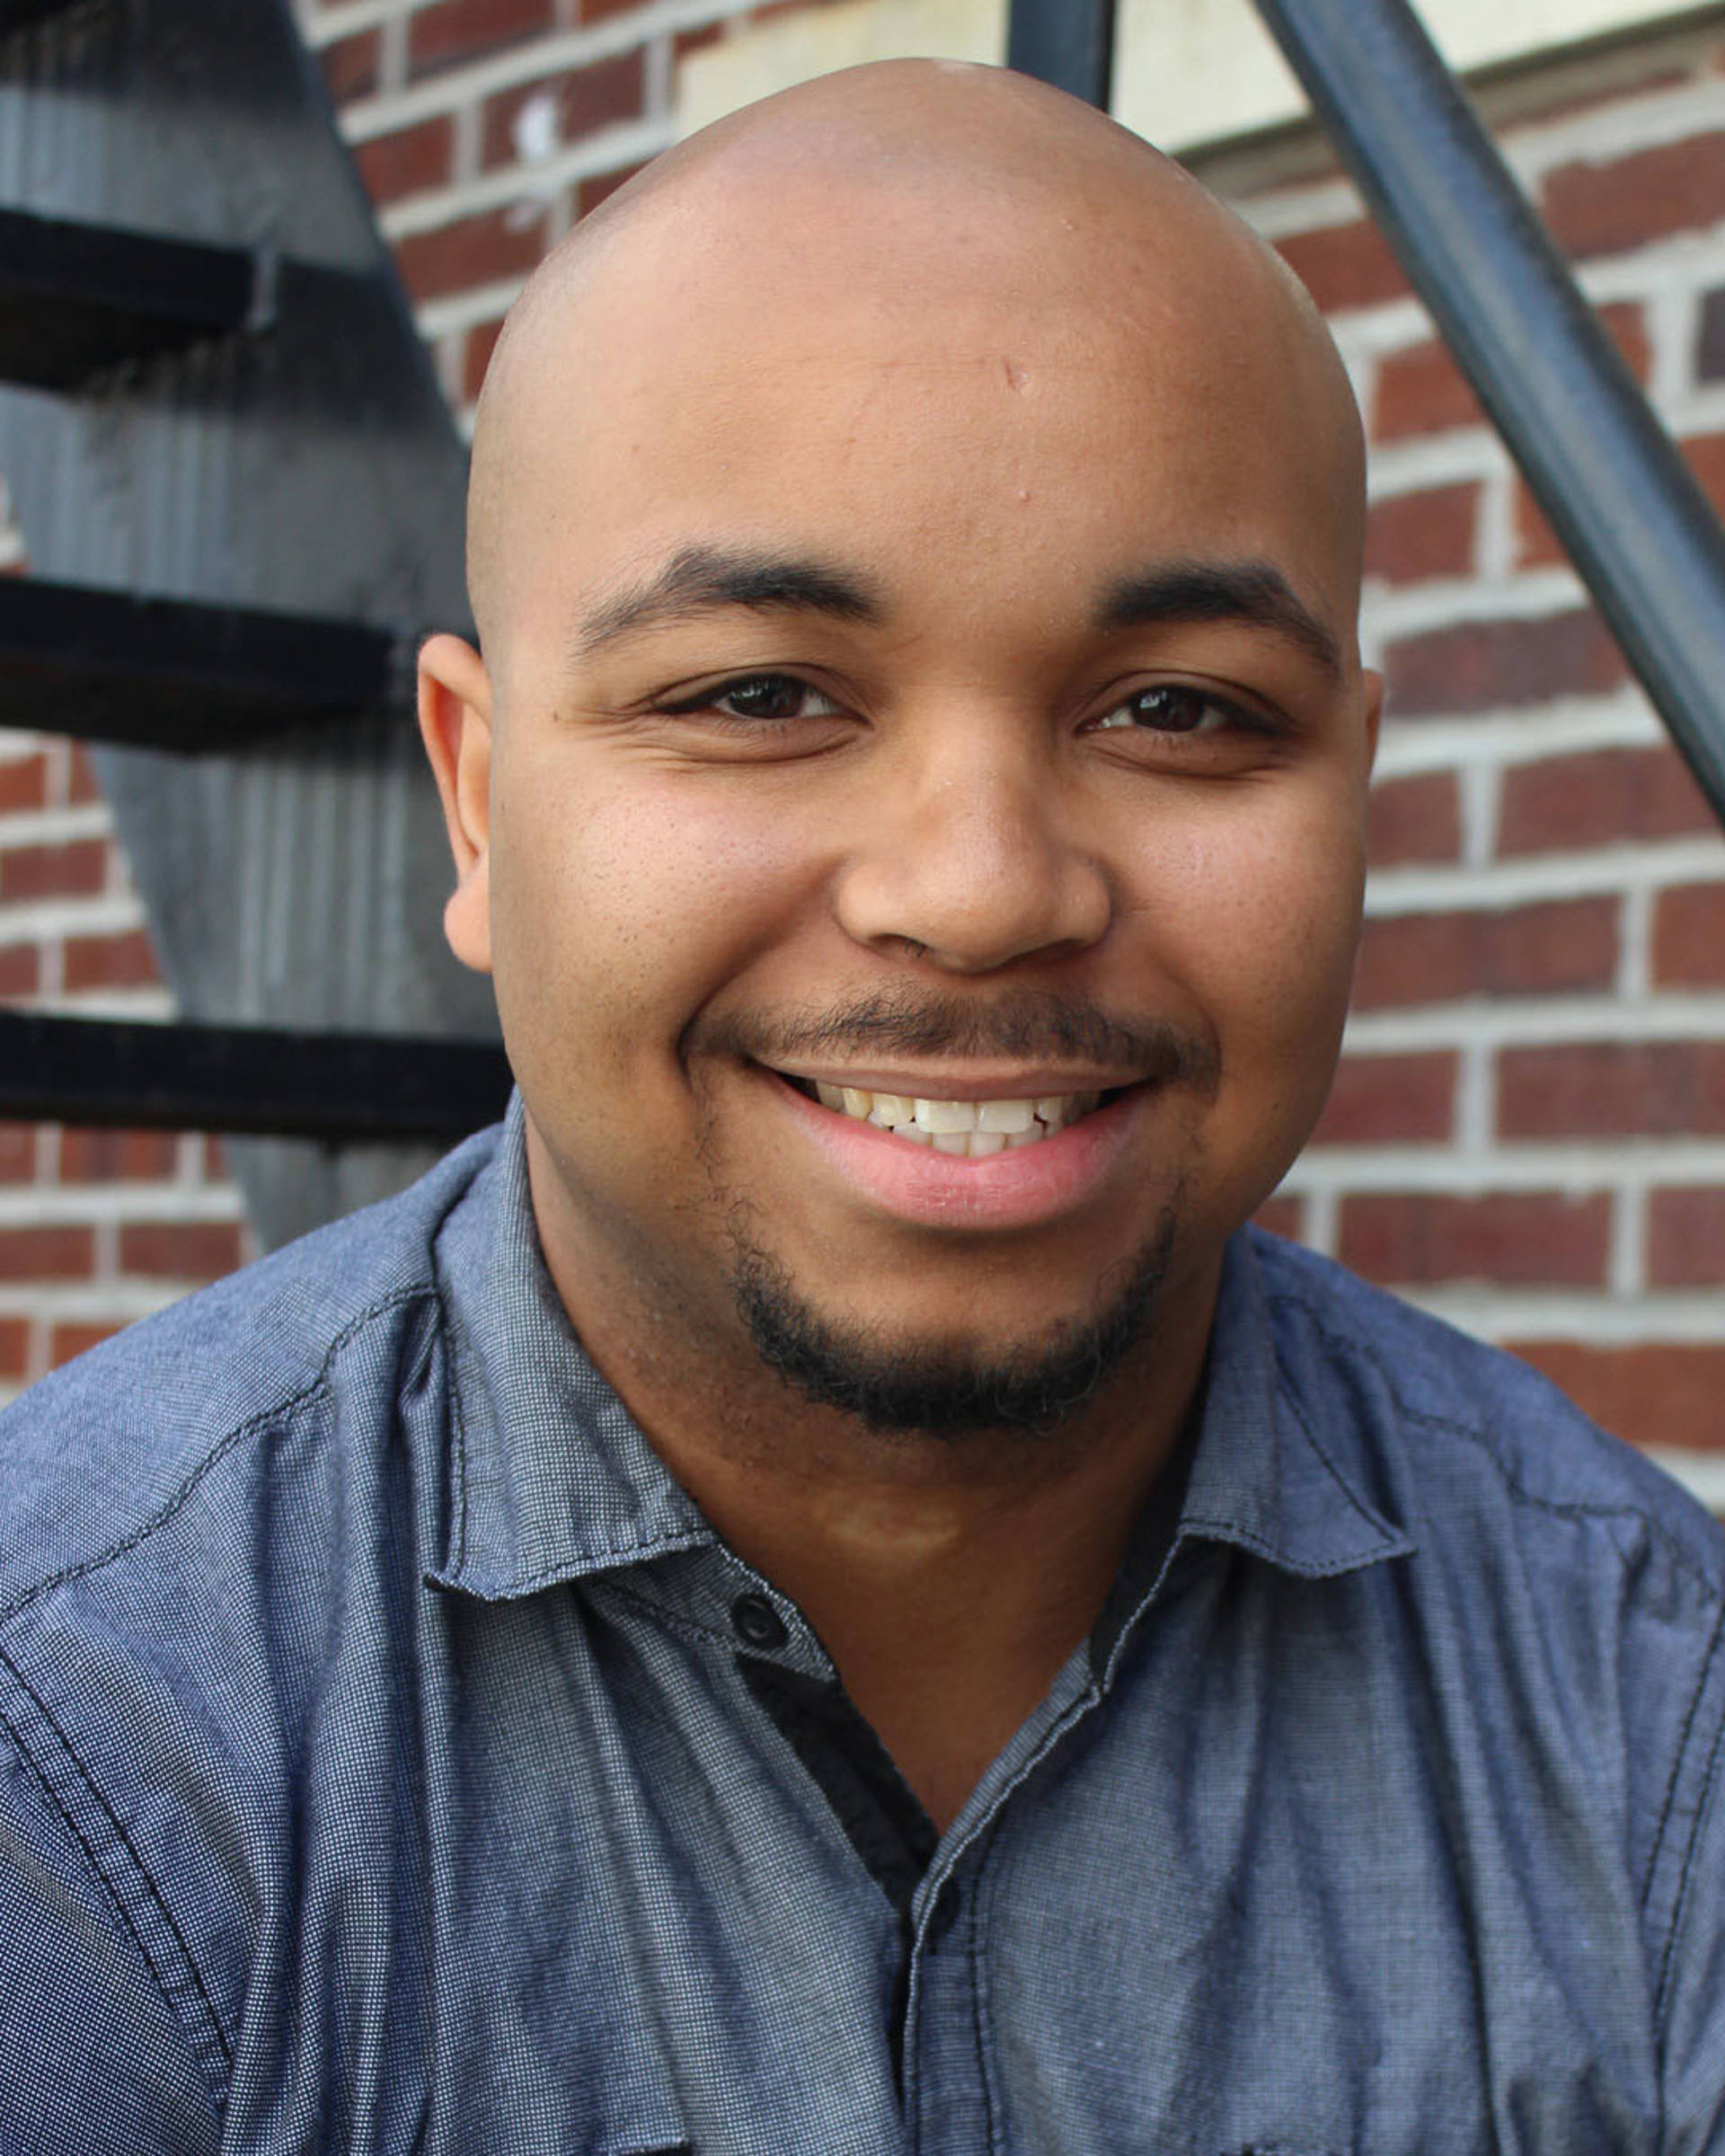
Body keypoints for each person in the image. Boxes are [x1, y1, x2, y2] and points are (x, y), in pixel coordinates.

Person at [3, 56, 1722, 2154]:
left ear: (1351, 790)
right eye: (759, 695)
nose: (984, 889)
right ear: (475, 799)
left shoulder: (1648, 1709)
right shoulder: (74, 1749)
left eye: (1178, 711)